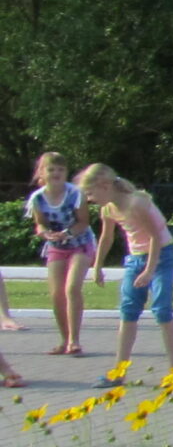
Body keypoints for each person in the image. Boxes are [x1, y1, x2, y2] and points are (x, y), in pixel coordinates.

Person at [74, 163, 173, 387]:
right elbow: (106, 238)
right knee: (128, 311)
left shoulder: (136, 202)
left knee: (162, 309)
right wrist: (97, 266)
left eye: (91, 193)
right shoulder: (108, 209)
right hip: (135, 258)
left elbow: (155, 238)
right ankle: (119, 372)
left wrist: (149, 270)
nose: (89, 199)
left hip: (161, 256)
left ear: (104, 186)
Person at [26, 151, 96, 356]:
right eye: (51, 169)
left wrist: (67, 233)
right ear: (42, 172)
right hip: (56, 246)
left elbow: (83, 222)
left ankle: (75, 340)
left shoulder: (75, 193)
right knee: (56, 294)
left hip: (80, 243)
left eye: (61, 169)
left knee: (72, 288)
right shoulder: (38, 198)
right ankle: (64, 339)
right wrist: (45, 233)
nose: (56, 173)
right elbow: (40, 224)